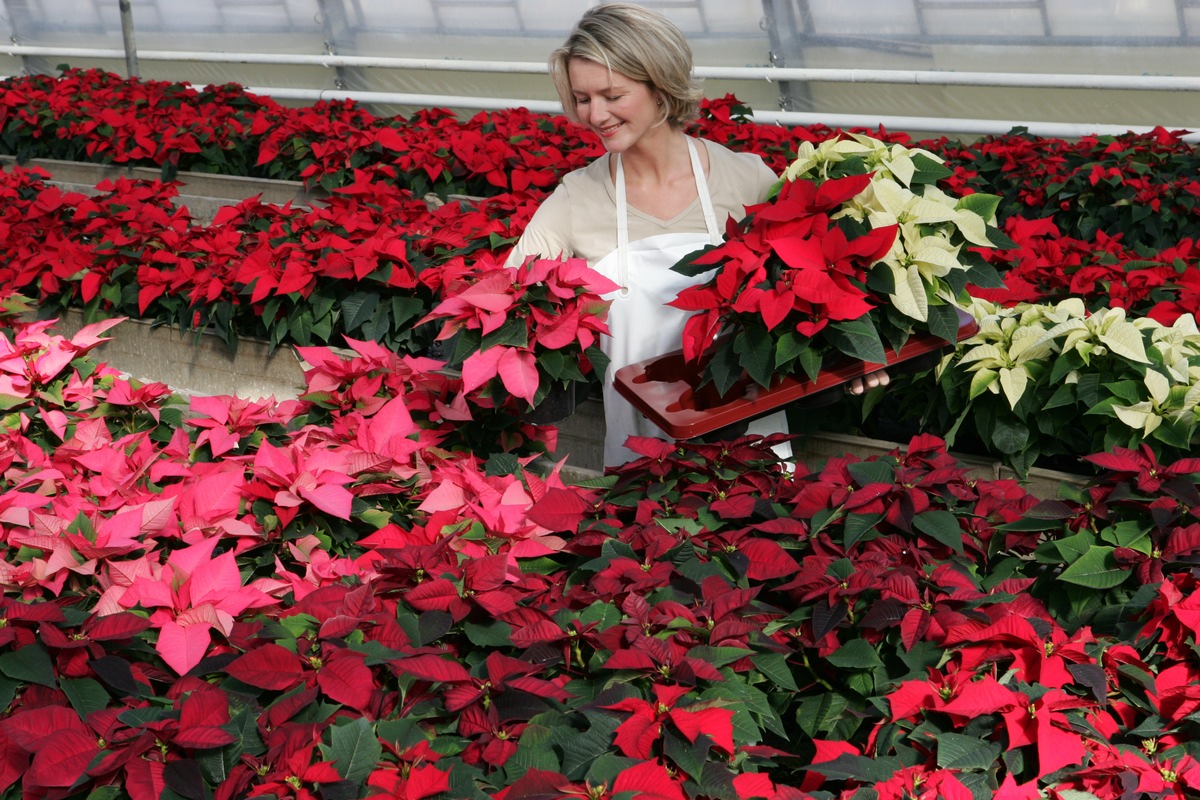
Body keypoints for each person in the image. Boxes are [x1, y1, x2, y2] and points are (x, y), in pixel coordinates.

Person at [508, 2, 885, 467]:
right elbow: (511, 300)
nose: (595, 115)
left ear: (660, 85)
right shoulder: (575, 199)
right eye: (583, 99)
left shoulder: (746, 179)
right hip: (643, 461)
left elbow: (816, 291)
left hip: (752, 450)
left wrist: (857, 355)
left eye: (612, 95)